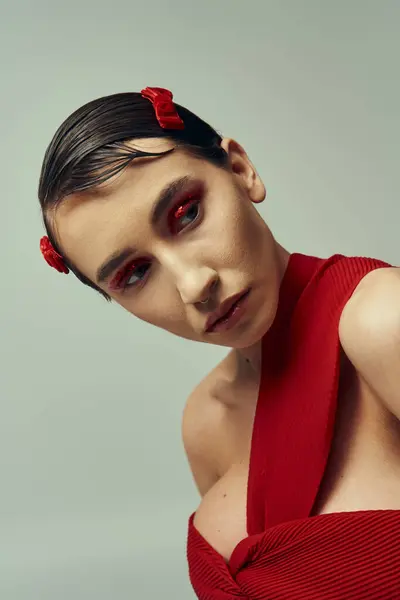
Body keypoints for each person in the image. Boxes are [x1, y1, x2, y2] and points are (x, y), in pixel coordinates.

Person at [38, 88, 400, 599]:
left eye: (186, 214)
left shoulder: (383, 321)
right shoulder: (205, 422)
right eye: (135, 273)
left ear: (240, 169)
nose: (193, 285)